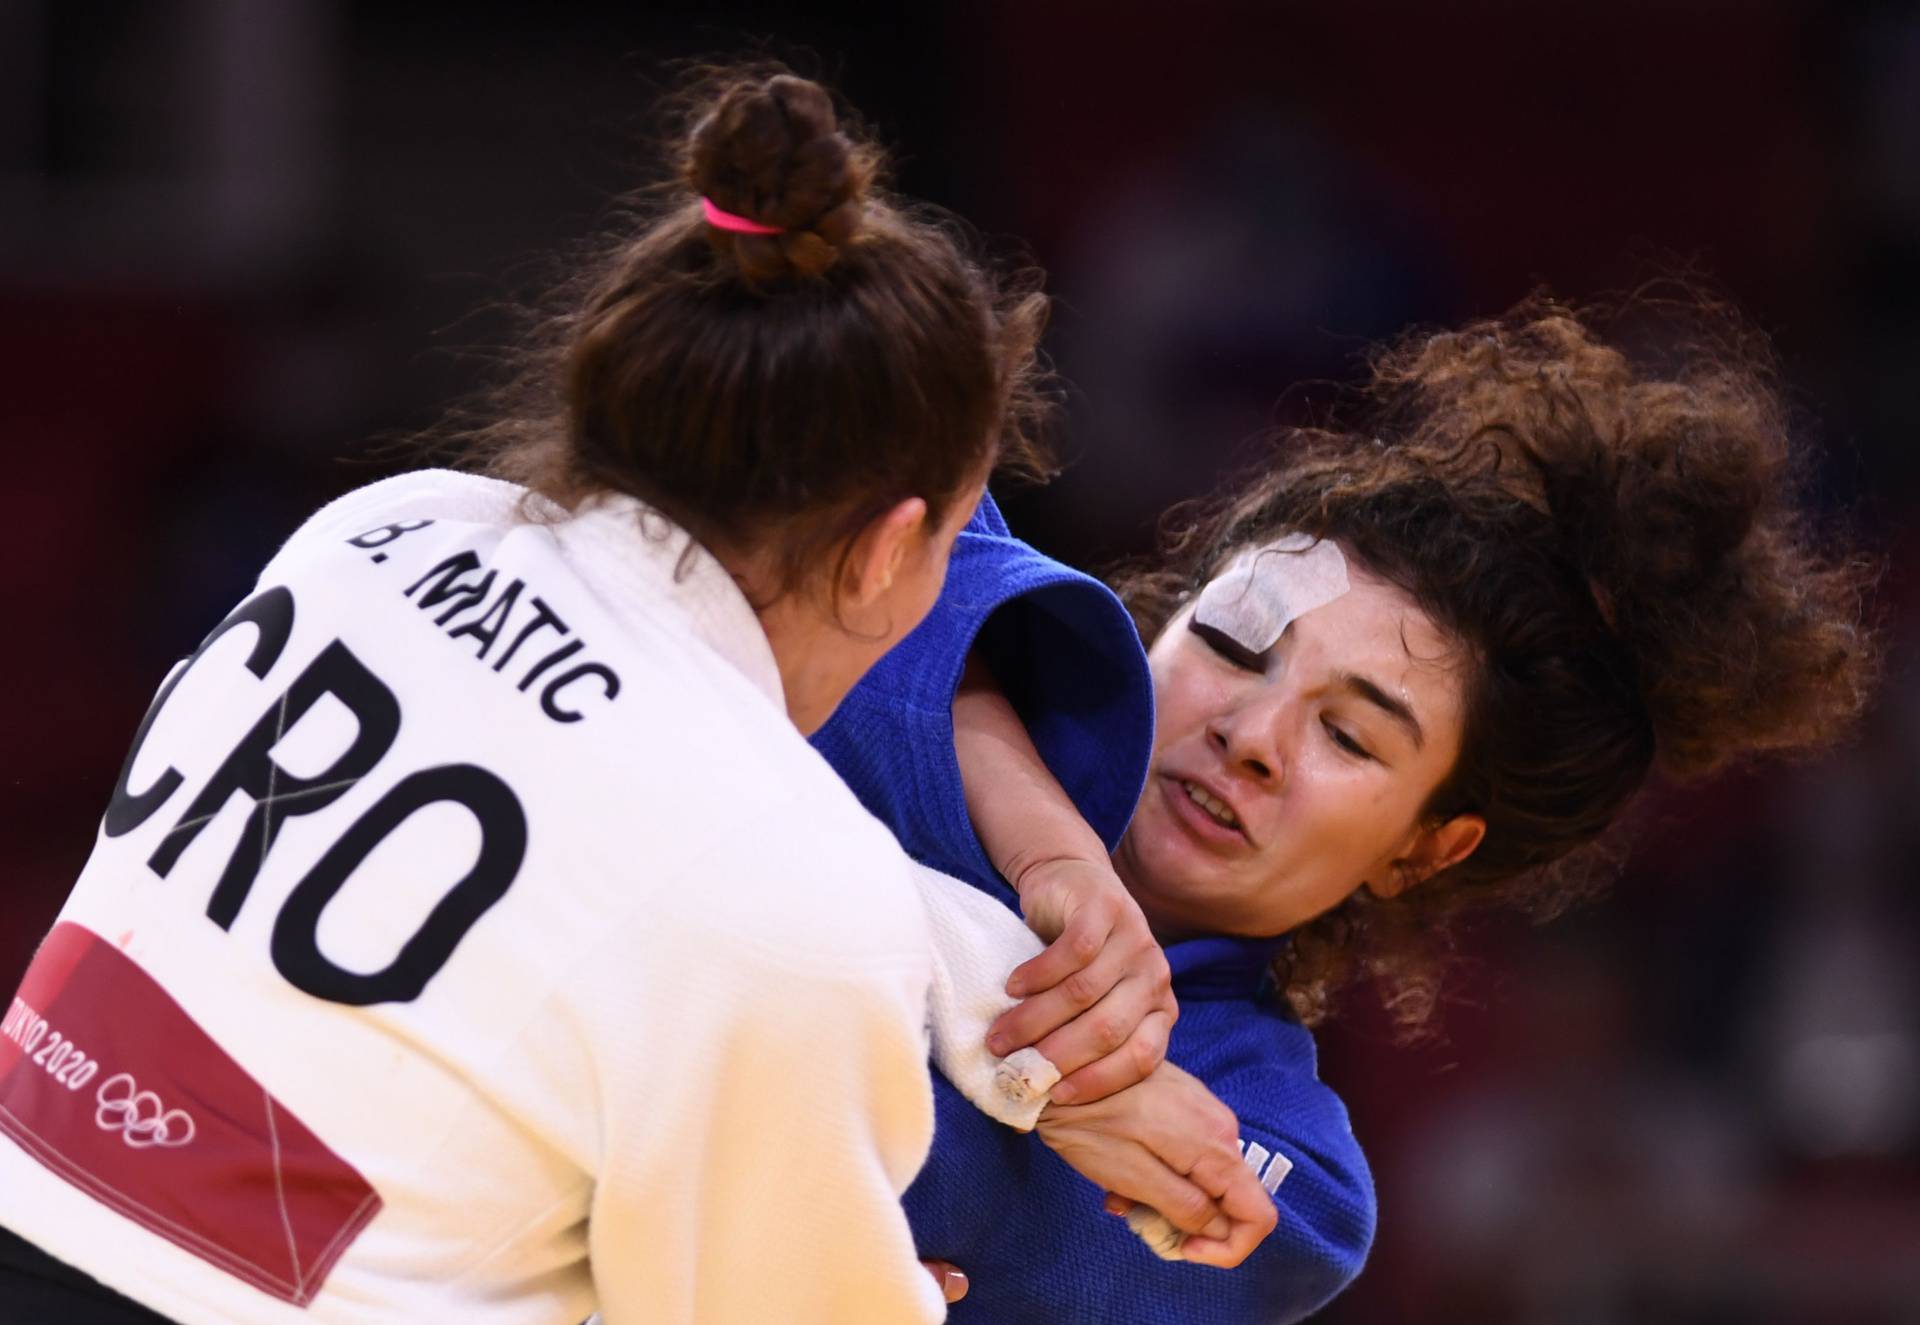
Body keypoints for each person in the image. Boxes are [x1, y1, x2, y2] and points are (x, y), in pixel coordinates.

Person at [0, 68, 1216, 1325]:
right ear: (885, 549)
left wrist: (1017, 1027)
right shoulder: (780, 885)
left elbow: (617, 836)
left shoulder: (375, 533)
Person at [814, 297, 1877, 1322]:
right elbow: (826, 425)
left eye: (1350, 734)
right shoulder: (933, 606)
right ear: (1157, 624)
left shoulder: (1296, 1168)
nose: (1253, 737)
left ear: (1424, 848)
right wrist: (1042, 839)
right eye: (1232, 645)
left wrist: (1049, 1064)